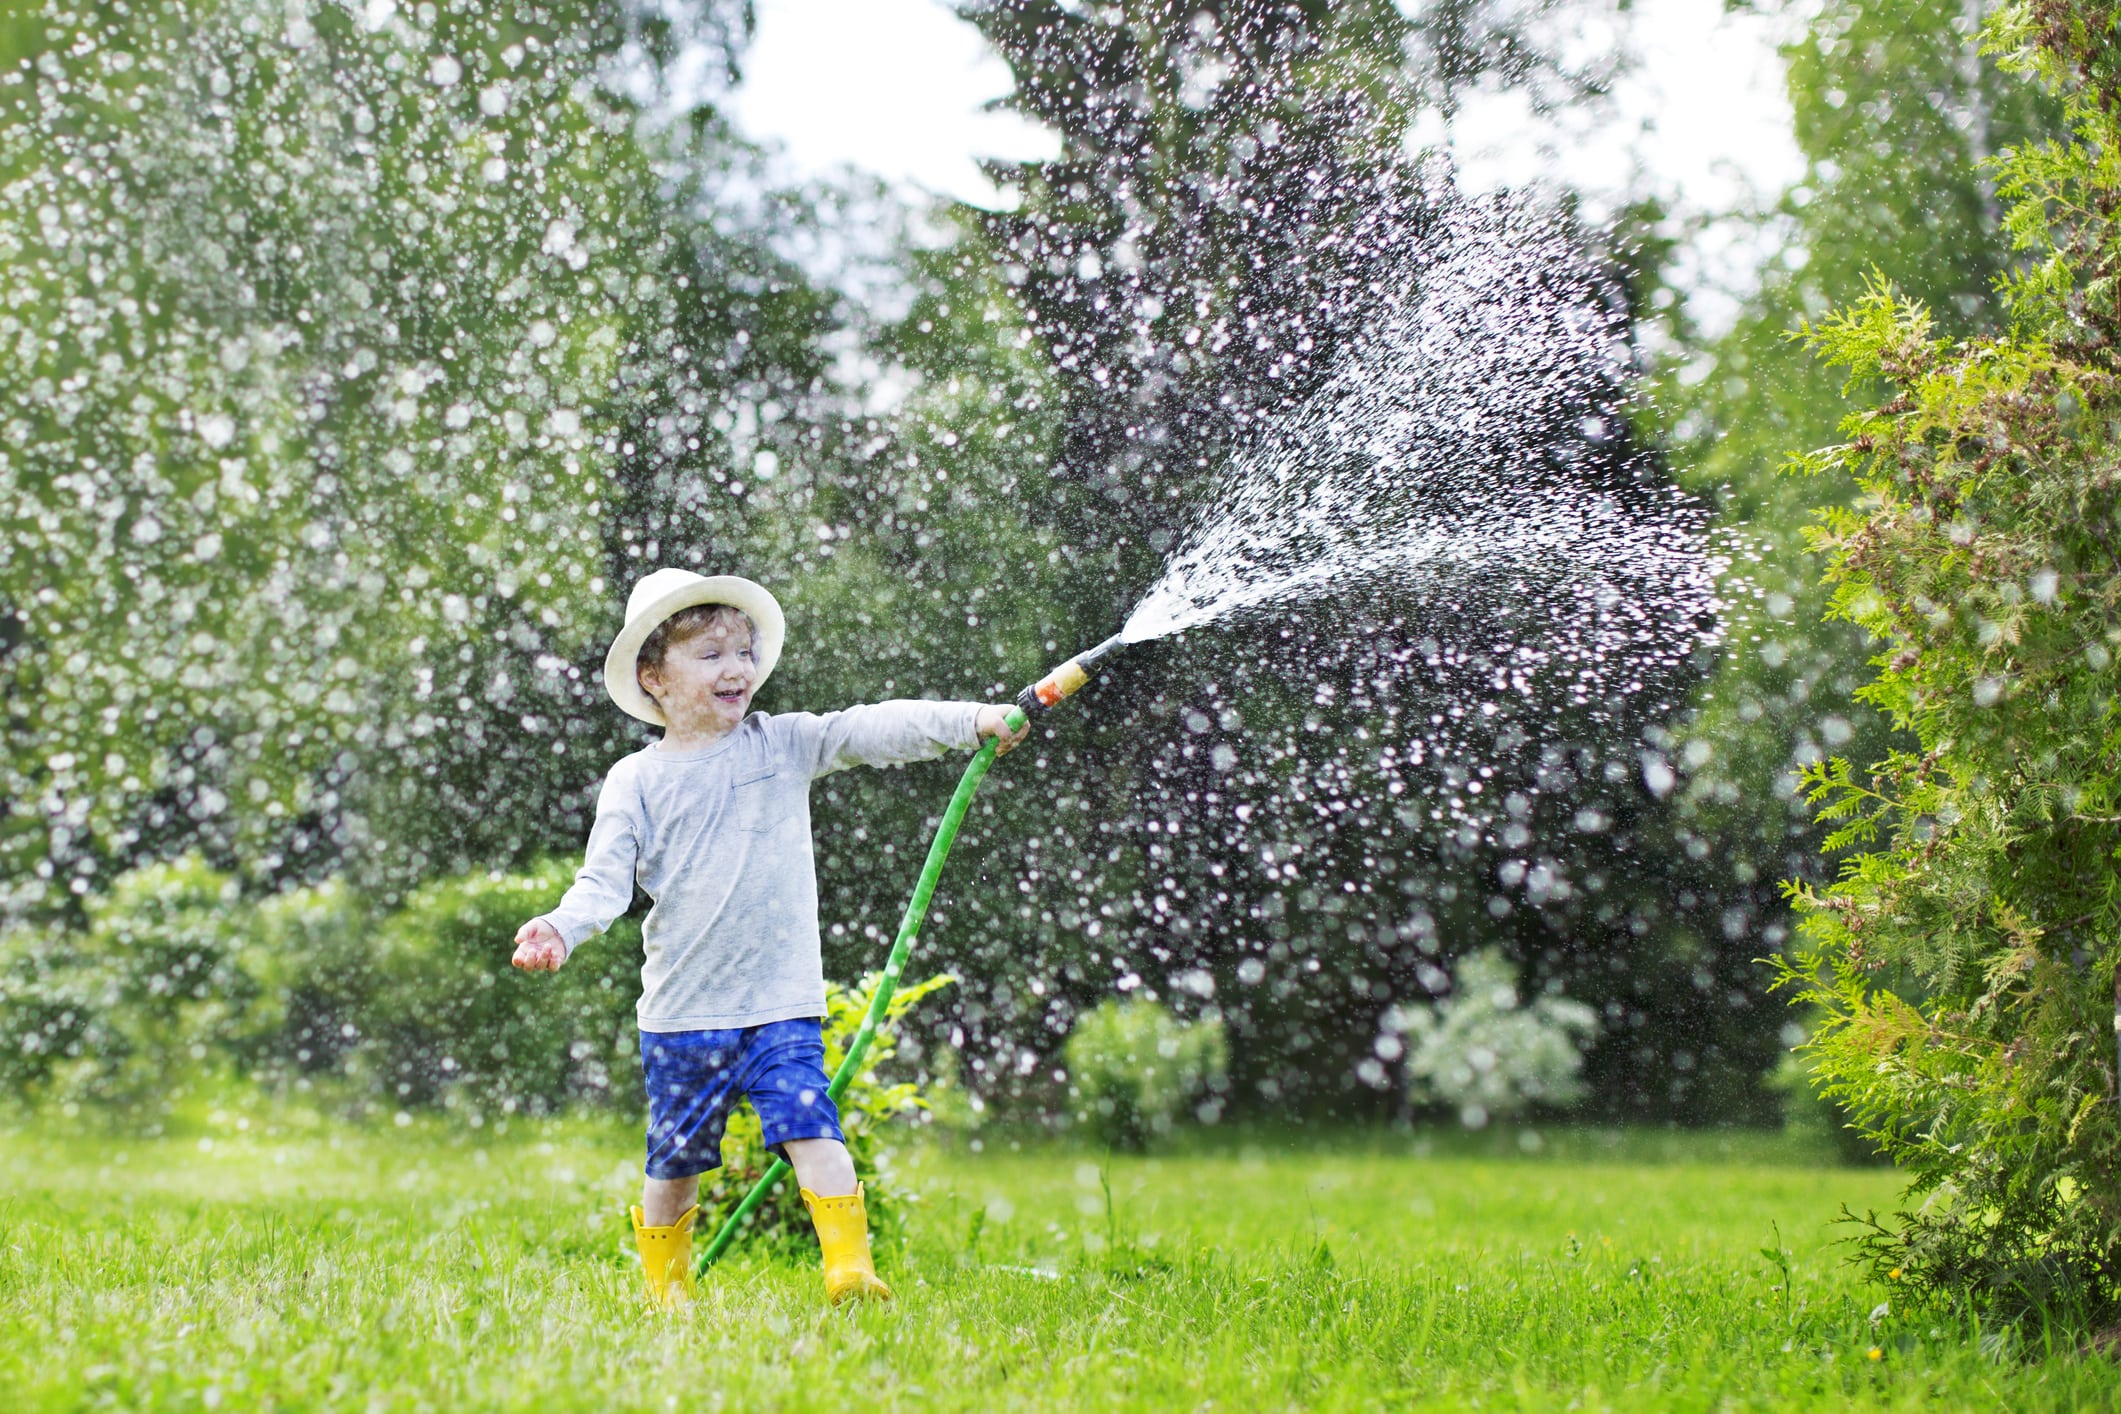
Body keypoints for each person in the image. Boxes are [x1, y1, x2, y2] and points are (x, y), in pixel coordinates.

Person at [509, 568, 1026, 1307]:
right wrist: (561, 927)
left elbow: (868, 727)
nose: (738, 668)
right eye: (711, 653)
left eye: (745, 651)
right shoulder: (635, 781)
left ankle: (849, 1268)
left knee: (812, 1128)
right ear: (653, 677)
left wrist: (968, 719)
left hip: (778, 1003)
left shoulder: (782, 745)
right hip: (683, 1013)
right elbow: (604, 885)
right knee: (674, 1160)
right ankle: (668, 1290)